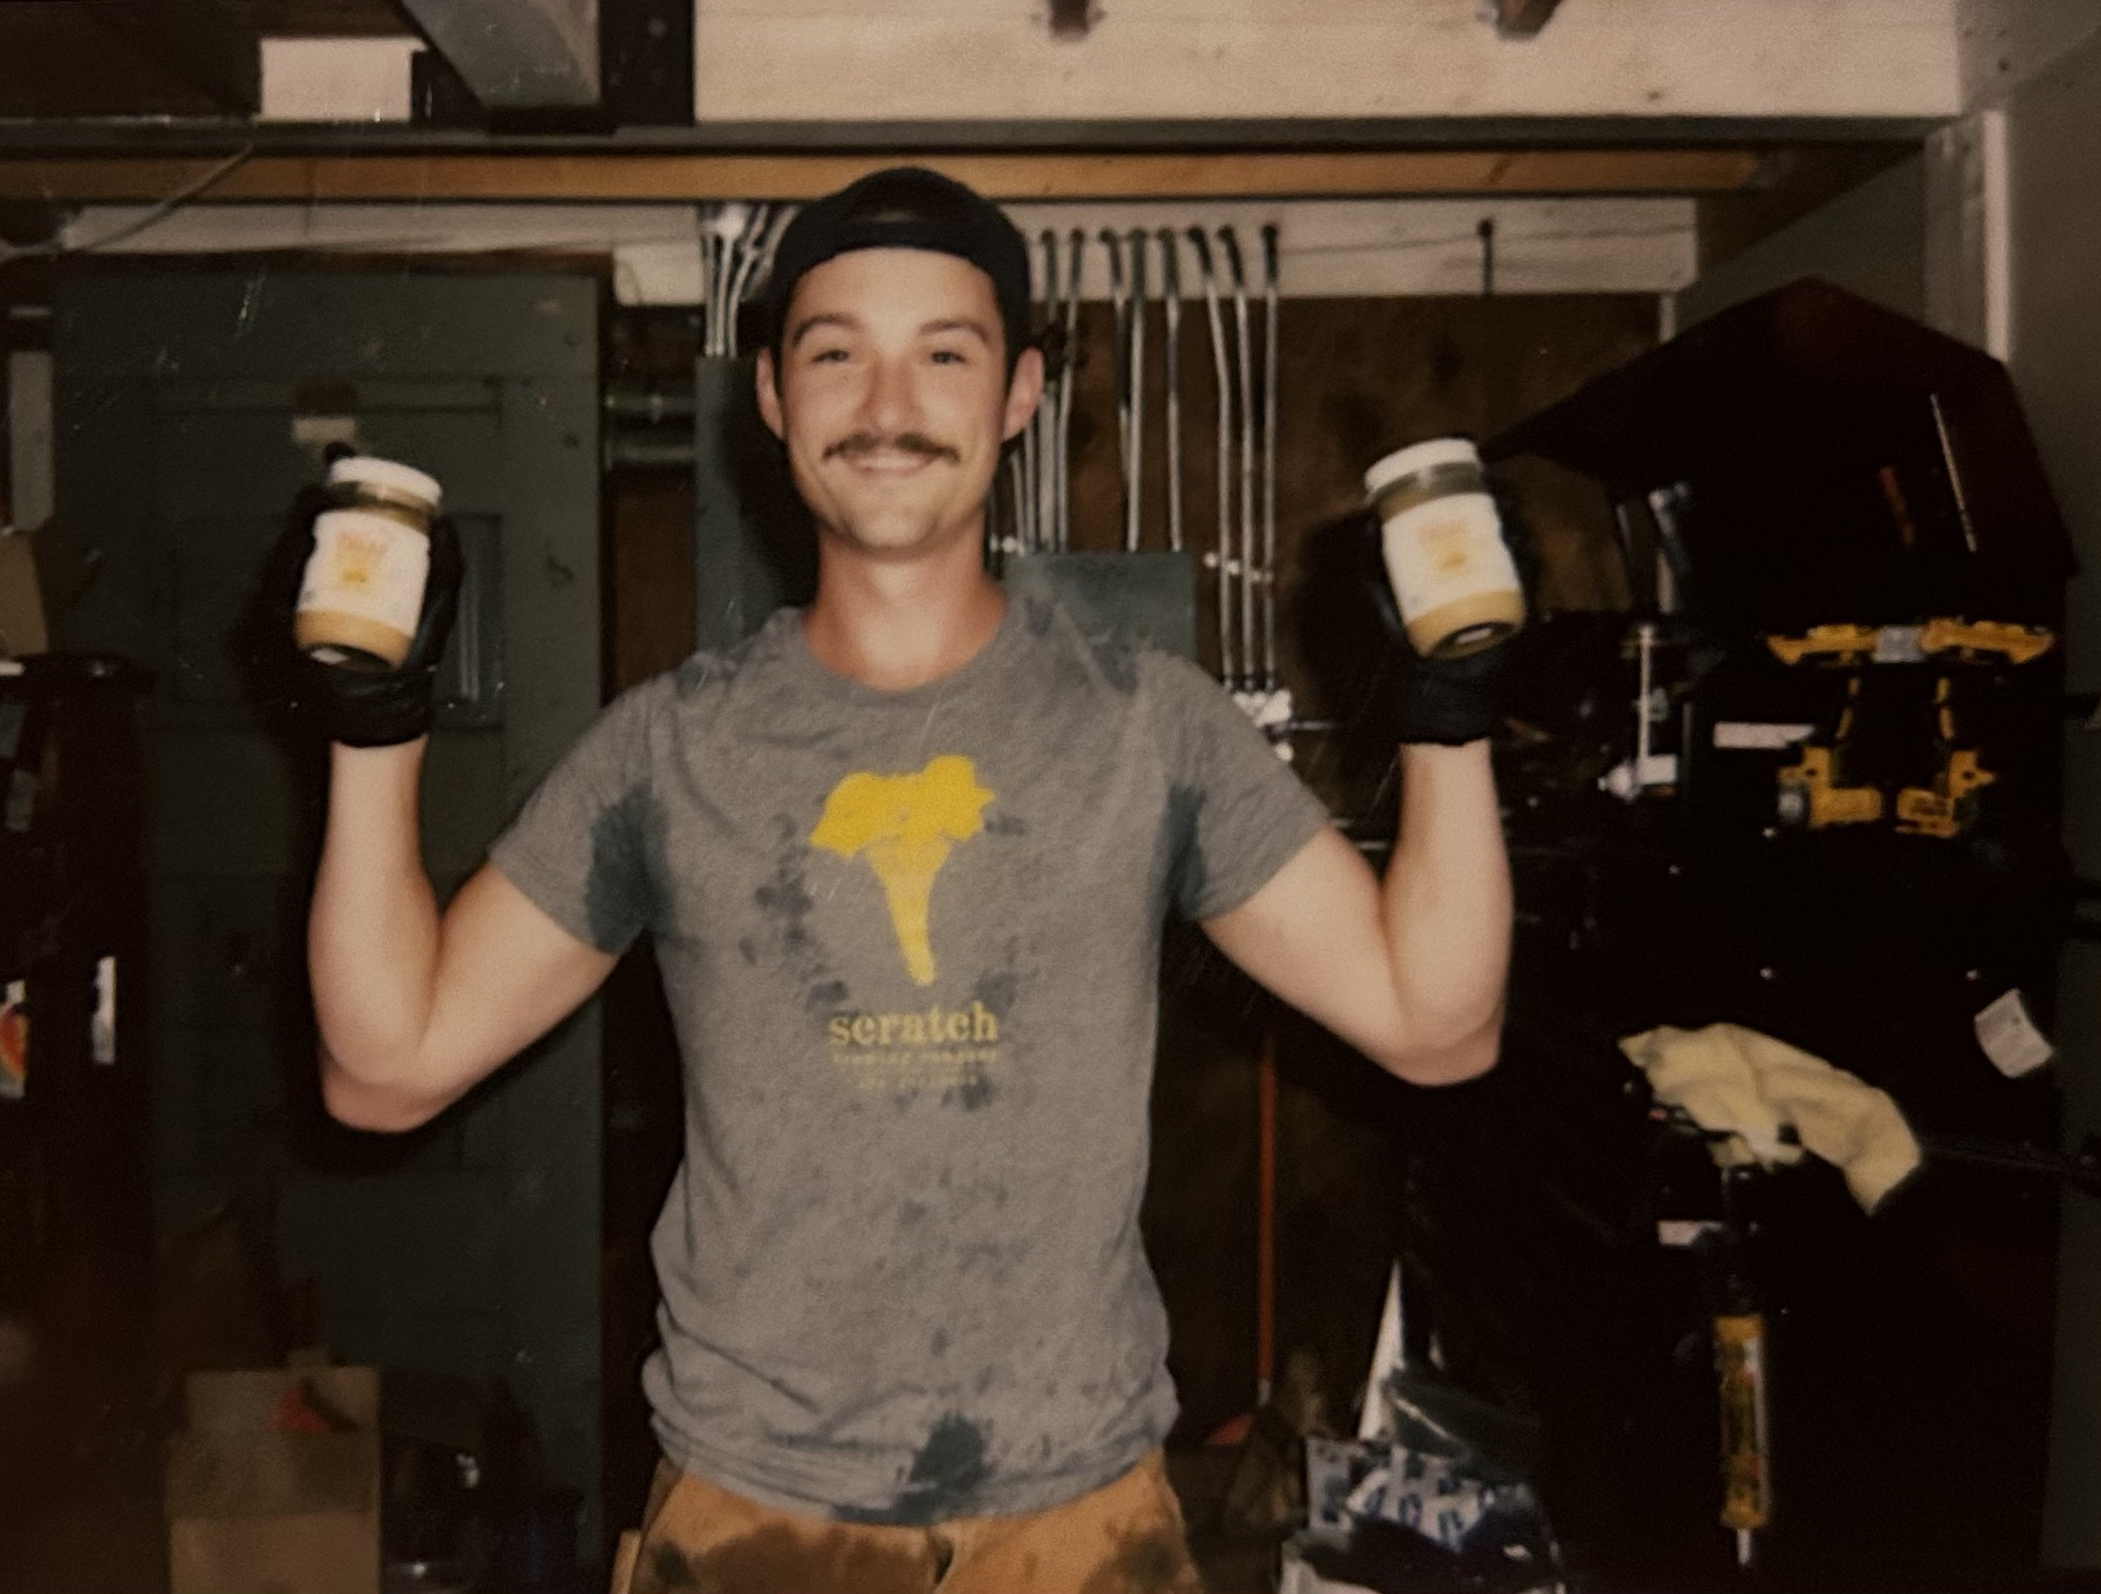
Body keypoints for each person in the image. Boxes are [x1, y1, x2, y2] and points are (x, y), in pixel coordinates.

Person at [305, 167, 1512, 1594]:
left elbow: (1437, 1027)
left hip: (1081, 1524)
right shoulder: (666, 750)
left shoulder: (1151, 728)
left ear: (1020, 393)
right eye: (836, 354)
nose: (888, 404)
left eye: (944, 353)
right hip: (754, 1518)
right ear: (771, 394)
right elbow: (385, 1071)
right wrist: (374, 731)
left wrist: (1448, 718)